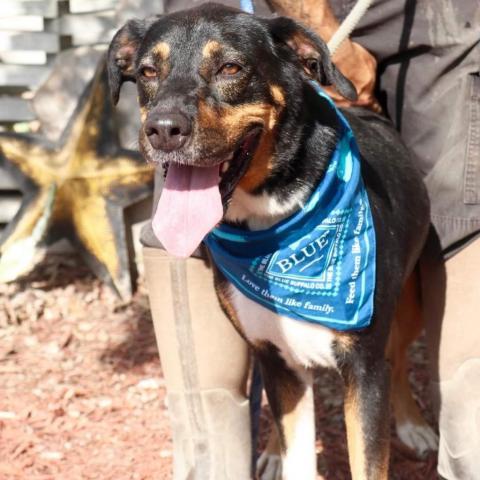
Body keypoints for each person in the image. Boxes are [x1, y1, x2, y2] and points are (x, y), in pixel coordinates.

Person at [141, 1, 480, 478]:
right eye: (149, 74)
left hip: (432, 13)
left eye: (229, 68)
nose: (163, 120)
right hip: (261, 12)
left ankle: (462, 440)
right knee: (189, 202)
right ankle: (212, 466)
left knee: (459, 204)